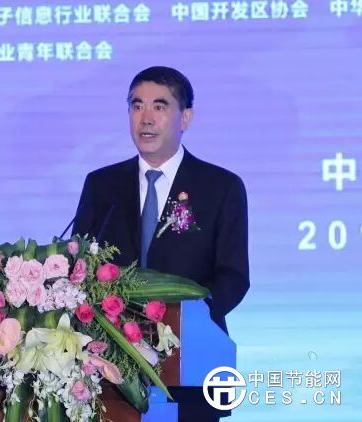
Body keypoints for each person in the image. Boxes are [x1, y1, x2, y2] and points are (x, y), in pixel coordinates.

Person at [72, 66, 249, 421]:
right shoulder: (102, 185)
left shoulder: (220, 186)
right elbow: (79, 269)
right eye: (136, 106)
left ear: (186, 117)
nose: (146, 118)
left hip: (192, 366)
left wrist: (181, 322)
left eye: (160, 106)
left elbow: (233, 277)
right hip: (109, 370)